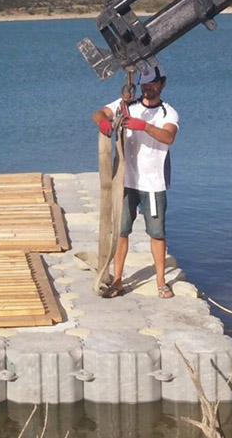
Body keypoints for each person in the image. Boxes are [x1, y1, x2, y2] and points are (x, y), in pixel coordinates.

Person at [91, 64, 179, 298]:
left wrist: (145, 127)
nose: (148, 89)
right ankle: (117, 280)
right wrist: (103, 123)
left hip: (153, 183)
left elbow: (168, 136)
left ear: (162, 84)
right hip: (126, 181)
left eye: (152, 84)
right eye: (145, 85)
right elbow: (99, 113)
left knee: (157, 233)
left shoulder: (168, 113)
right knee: (121, 232)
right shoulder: (127, 105)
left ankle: (161, 281)